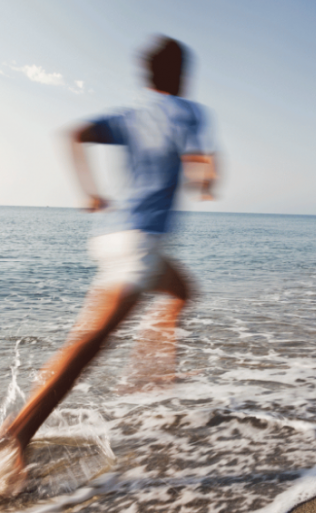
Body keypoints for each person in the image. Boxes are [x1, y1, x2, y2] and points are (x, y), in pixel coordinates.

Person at [0, 36, 218, 495]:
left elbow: (75, 134)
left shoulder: (132, 115)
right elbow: (201, 159)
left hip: (118, 237)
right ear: (179, 75)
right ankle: (16, 434)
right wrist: (206, 174)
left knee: (182, 292)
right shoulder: (188, 111)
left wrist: (90, 192)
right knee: (88, 346)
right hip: (140, 245)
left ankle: (154, 373)